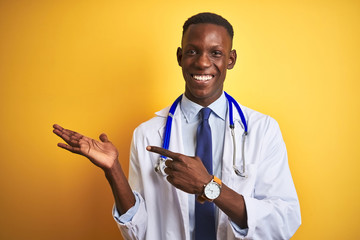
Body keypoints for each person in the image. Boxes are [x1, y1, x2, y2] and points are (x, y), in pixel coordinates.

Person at [53, 12, 301, 240]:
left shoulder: (263, 129)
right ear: (180, 57)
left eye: (215, 53)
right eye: (193, 52)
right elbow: (139, 232)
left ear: (231, 59)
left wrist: (208, 186)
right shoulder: (148, 134)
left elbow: (284, 221)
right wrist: (113, 170)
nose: (203, 63)